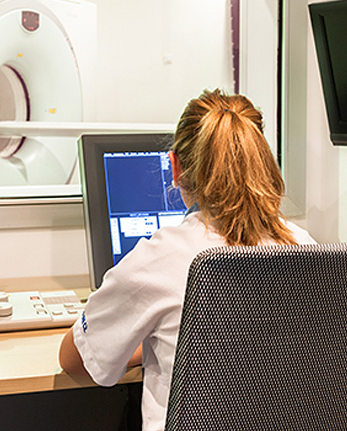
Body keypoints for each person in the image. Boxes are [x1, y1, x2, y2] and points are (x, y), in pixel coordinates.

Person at [58, 89, 315, 430]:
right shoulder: (307, 248)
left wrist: (149, 340)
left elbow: (76, 359)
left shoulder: (158, 259)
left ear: (174, 166)